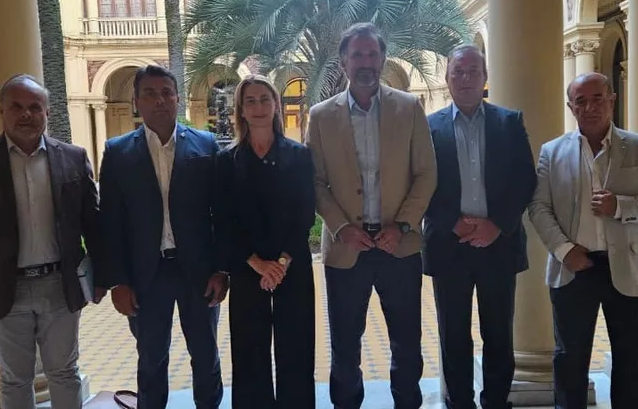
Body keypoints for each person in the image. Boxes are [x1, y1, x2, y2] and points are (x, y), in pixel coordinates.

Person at [0, 74, 102, 408]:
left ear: (47, 113)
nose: (26, 114)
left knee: (65, 372)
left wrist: (102, 278)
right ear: (2, 111)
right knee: (14, 379)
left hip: (60, 285)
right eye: (16, 106)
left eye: (35, 107)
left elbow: (93, 224)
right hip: (2, 287)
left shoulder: (73, 157)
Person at [529, 72, 638, 409]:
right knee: (569, 359)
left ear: (612, 101)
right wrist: (565, 251)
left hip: (628, 267)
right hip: (573, 267)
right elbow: (539, 207)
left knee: (632, 360)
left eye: (598, 98)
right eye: (580, 101)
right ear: (571, 107)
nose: (590, 107)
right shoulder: (552, 152)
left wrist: (621, 207)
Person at [306, 22, 437, 409]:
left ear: (382, 59)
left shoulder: (409, 108)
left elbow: (427, 173)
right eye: (357, 54)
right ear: (343, 61)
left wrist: (404, 225)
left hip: (400, 246)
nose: (366, 62)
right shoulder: (321, 116)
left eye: (372, 54)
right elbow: (315, 181)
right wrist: (341, 228)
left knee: (407, 343)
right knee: (345, 345)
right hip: (347, 249)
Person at [98, 65, 227, 409]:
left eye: (167, 93)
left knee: (205, 353)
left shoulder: (205, 144)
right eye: (150, 94)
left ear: (177, 98)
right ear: (136, 101)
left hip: (198, 272)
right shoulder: (118, 152)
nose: (160, 100)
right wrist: (118, 281)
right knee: (151, 357)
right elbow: (110, 222)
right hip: (145, 275)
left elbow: (221, 214)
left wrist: (221, 270)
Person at [423, 44, 536, 409]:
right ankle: (459, 402)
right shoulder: (429, 127)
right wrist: (451, 222)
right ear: (447, 78)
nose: (466, 78)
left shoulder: (509, 122)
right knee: (453, 334)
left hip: (498, 245)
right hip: (449, 246)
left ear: (485, 77)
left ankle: (496, 402)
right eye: (458, 72)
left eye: (473, 71)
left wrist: (497, 225)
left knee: (499, 333)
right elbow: (420, 184)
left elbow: (525, 180)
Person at [213, 74, 316, 409]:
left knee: (296, 348)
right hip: (247, 270)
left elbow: (305, 214)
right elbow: (224, 221)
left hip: (292, 267)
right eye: (250, 101)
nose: (258, 107)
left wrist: (281, 263)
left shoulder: (299, 156)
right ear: (241, 110)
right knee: (249, 352)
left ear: (275, 105)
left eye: (264, 99)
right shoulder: (226, 161)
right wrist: (257, 263)